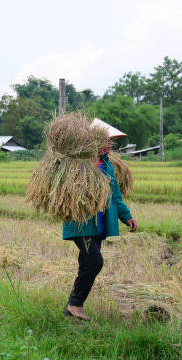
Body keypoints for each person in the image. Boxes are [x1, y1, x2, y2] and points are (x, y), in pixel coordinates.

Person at [62, 120, 137, 321]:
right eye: (107, 139)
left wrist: (126, 216)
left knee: (86, 264)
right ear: (94, 139)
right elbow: (68, 192)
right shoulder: (77, 163)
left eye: (112, 140)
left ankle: (71, 308)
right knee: (95, 262)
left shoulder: (107, 164)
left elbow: (116, 194)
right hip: (82, 223)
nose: (111, 144)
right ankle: (75, 305)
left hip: (100, 223)